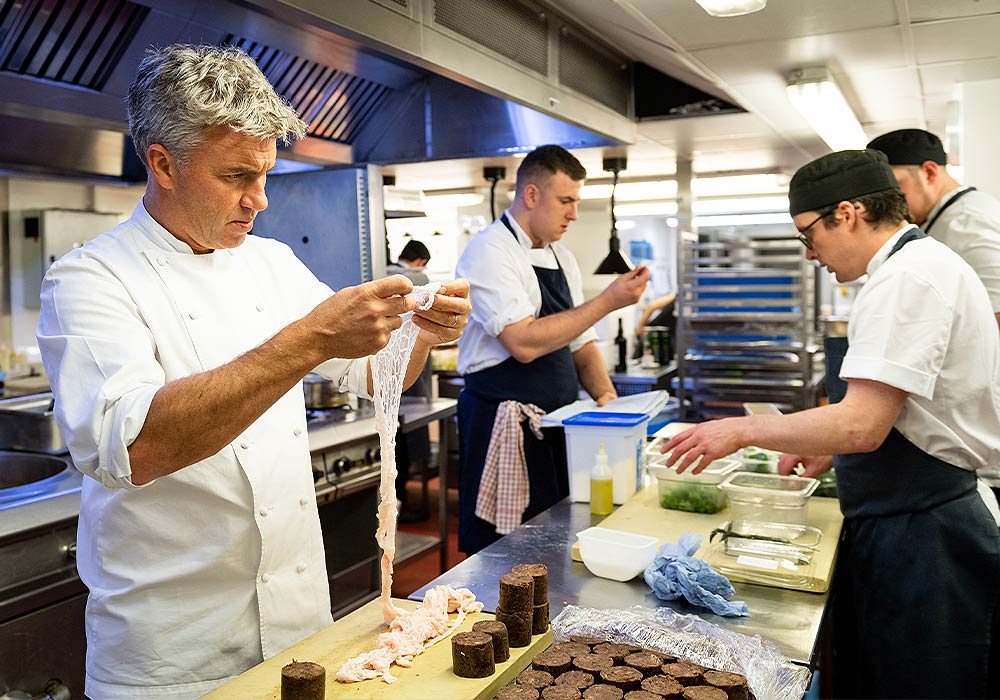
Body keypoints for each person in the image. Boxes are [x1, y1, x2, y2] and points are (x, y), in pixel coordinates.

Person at [35, 44, 470, 700]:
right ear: (163, 163)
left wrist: (420, 335)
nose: (259, 199)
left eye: (266, 174)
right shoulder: (89, 278)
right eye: (238, 175)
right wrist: (310, 338)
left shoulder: (270, 264)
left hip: (299, 624)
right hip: (174, 652)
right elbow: (136, 447)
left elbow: (370, 377)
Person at [661, 149, 1000, 699]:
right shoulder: (914, 268)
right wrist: (826, 450)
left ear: (848, 213)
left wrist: (739, 431)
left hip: (929, 534)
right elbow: (897, 415)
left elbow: (861, 426)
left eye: (808, 235)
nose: (810, 253)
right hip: (909, 516)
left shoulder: (907, 279)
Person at [455, 145, 649, 555]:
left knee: (553, 537)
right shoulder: (490, 251)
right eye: (566, 201)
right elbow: (523, 342)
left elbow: (579, 340)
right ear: (531, 195)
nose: (574, 214)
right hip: (503, 427)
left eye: (576, 202)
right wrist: (609, 300)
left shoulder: (562, 256)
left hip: (558, 425)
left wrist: (606, 396)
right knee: (501, 550)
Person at [867, 128, 1000, 327]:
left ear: (929, 172)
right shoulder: (940, 217)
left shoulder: (968, 223)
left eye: (892, 187)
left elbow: (996, 315)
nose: (887, 202)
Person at [384, 239, 433, 521]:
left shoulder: (379, 271)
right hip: (403, 371)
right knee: (402, 440)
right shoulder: (415, 278)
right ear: (420, 262)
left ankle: (399, 498)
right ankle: (403, 499)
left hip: (390, 372)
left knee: (394, 439)